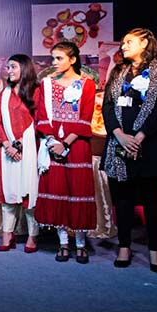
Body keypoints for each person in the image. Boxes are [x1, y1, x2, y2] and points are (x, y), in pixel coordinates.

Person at [102, 28, 157, 272]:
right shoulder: (117, 72)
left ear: (145, 42)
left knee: (152, 198)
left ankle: (155, 249)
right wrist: (119, 135)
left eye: (129, 42)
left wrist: (139, 137)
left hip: (151, 144)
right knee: (122, 197)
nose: (123, 46)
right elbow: (108, 107)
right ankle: (124, 246)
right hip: (119, 143)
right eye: (123, 42)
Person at [34, 41, 97, 263]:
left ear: (72, 59)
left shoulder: (87, 84)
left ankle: (80, 244)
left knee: (77, 191)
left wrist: (66, 143)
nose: (54, 63)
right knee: (57, 189)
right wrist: (53, 141)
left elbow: (85, 118)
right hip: (53, 143)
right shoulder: (47, 84)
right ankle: (62, 243)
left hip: (77, 144)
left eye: (59, 58)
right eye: (53, 58)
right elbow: (41, 116)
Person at [0, 54, 41, 253]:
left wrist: (22, 143)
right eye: (8, 67)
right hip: (7, 151)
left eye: (13, 67)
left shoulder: (36, 92)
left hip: (30, 151)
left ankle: (32, 236)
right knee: (9, 194)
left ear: (25, 69)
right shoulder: (4, 94)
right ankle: (7, 235)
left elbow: (40, 120)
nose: (9, 71)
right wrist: (7, 144)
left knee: (30, 194)